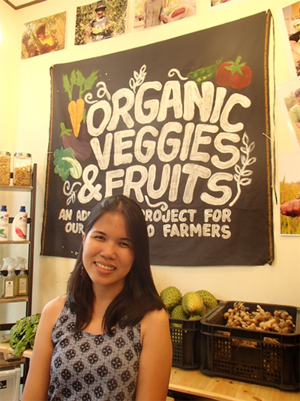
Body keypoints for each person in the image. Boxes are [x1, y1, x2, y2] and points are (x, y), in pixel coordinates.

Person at [21, 195, 172, 401]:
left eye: (124, 243)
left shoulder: (152, 320)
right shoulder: (54, 312)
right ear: (84, 240)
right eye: (100, 237)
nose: (108, 252)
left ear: (137, 254)